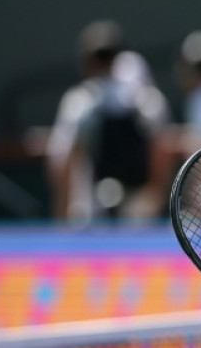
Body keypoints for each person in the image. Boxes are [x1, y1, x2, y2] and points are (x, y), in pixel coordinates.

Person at [45, 19, 173, 224]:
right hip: (134, 213)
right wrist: (154, 194)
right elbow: (162, 148)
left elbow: (63, 160)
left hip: (92, 214)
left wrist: (62, 214)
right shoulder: (147, 99)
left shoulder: (78, 102)